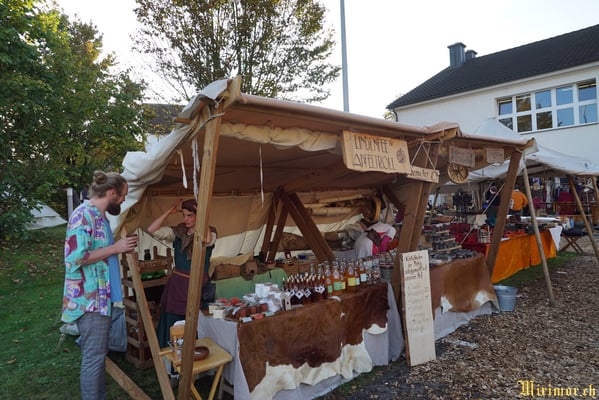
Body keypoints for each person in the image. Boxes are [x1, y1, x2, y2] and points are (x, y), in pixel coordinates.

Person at [61, 171, 138, 400]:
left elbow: (100, 253)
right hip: (90, 300)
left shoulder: (100, 217)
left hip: (102, 298)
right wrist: (116, 248)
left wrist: (120, 248)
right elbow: (75, 257)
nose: (123, 200)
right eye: (123, 195)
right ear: (112, 193)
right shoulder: (83, 215)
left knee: (98, 356)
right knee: (94, 358)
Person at [147, 199, 217, 352]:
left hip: (199, 286)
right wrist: (168, 212)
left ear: (198, 215)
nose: (186, 219)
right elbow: (151, 230)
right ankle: (173, 354)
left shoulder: (210, 231)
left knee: (198, 321)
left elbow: (206, 240)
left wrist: (203, 216)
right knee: (175, 321)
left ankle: (198, 353)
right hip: (178, 286)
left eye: (190, 215)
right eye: (184, 215)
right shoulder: (178, 232)